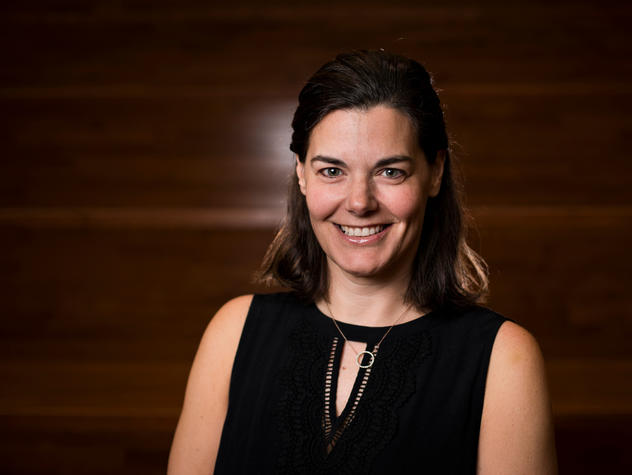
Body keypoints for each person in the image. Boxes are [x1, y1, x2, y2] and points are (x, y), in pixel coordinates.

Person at [168, 50, 557, 474]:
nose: (359, 203)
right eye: (332, 171)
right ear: (301, 174)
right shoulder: (233, 333)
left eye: (390, 172)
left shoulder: (504, 358)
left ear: (435, 172)